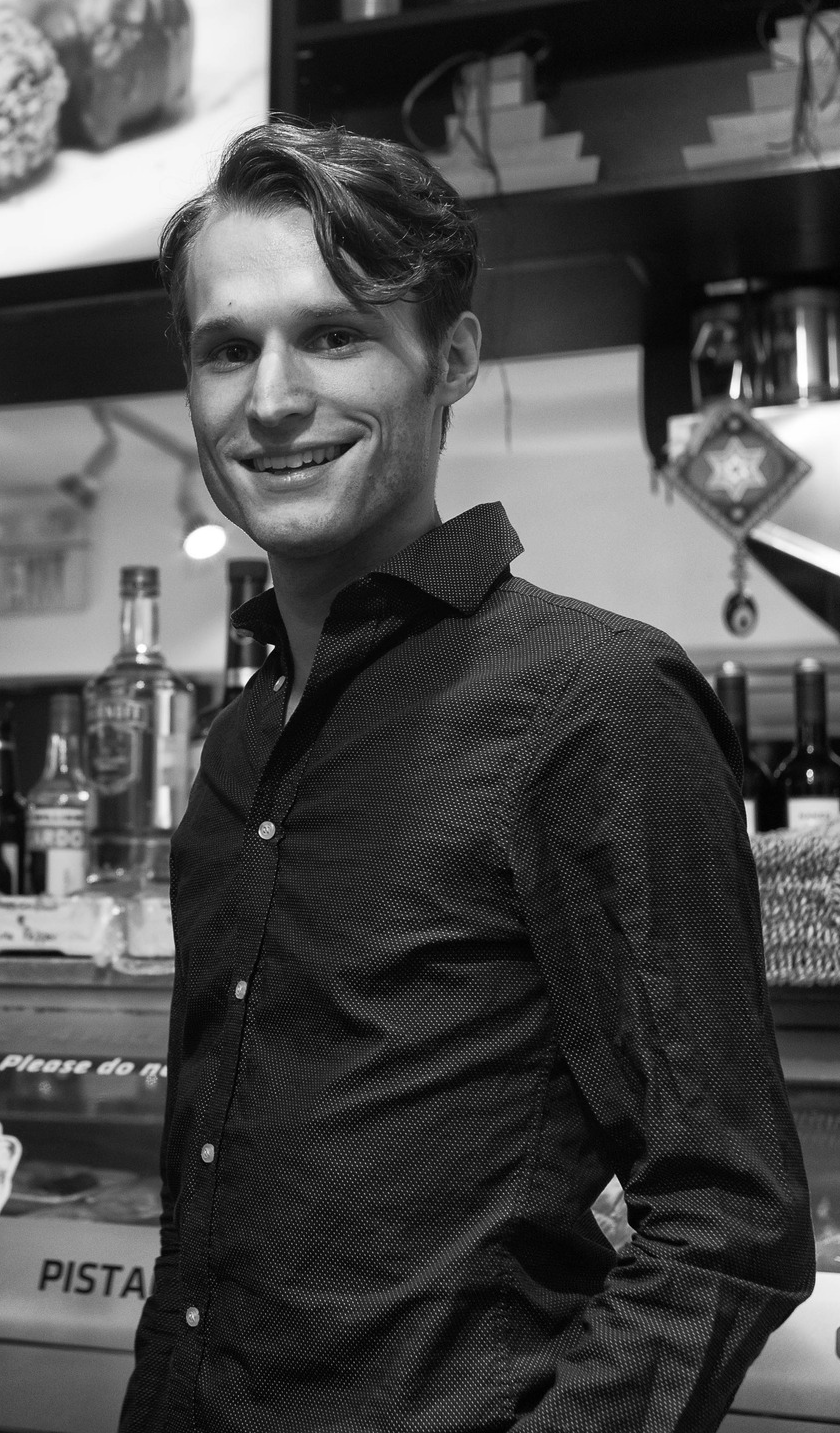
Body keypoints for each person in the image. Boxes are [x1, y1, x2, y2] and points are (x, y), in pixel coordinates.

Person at [119, 120, 814, 1433]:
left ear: (450, 359)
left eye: (333, 335)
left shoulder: (590, 700)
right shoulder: (234, 745)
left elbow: (727, 1218)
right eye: (226, 348)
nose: (268, 397)